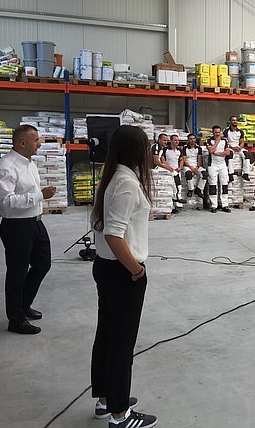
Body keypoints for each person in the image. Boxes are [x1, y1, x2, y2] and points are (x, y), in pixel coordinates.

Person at [90, 125, 157, 428]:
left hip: (107, 268)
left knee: (107, 335)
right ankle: (120, 415)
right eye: (146, 146)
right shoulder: (127, 183)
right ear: (136, 150)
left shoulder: (113, 177)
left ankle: (107, 399)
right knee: (121, 343)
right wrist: (136, 270)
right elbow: (114, 235)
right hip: (122, 272)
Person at [0, 124, 57, 335]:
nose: (39, 144)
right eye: (36, 140)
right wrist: (39, 196)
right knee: (17, 273)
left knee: (42, 264)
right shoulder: (5, 167)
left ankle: (23, 304)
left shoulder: (29, 164)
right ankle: (15, 320)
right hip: (16, 226)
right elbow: (4, 202)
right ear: (22, 143)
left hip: (35, 222)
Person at [206, 125, 231, 213]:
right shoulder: (209, 140)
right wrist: (217, 141)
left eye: (218, 132)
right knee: (213, 185)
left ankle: (224, 204)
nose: (217, 134)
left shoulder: (225, 141)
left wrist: (217, 153)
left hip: (222, 165)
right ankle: (214, 205)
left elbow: (227, 152)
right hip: (212, 165)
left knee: (224, 184)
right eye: (215, 132)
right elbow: (211, 150)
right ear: (213, 132)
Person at [181, 133, 207, 209]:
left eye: (193, 139)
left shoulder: (199, 148)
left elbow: (199, 159)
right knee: (188, 174)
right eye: (190, 139)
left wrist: (197, 167)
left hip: (196, 165)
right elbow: (184, 160)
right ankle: (191, 189)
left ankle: (199, 189)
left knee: (204, 174)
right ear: (188, 140)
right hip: (187, 165)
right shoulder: (184, 148)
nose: (192, 140)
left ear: (195, 139)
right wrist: (191, 167)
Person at [160, 134, 184, 213]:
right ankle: (172, 206)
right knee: (170, 188)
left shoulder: (179, 150)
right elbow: (163, 161)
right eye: (175, 140)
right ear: (171, 141)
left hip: (177, 171)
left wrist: (180, 167)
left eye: (178, 140)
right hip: (168, 171)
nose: (177, 142)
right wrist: (170, 169)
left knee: (177, 187)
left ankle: (176, 205)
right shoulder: (165, 149)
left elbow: (181, 160)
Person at [223, 115, 251, 182]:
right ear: (230, 122)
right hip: (230, 147)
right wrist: (232, 147)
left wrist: (240, 148)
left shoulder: (240, 131)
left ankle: (246, 173)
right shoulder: (226, 131)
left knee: (246, 155)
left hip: (238, 147)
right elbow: (225, 141)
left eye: (236, 120)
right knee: (230, 155)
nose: (235, 121)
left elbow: (242, 142)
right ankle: (230, 174)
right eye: (233, 120)